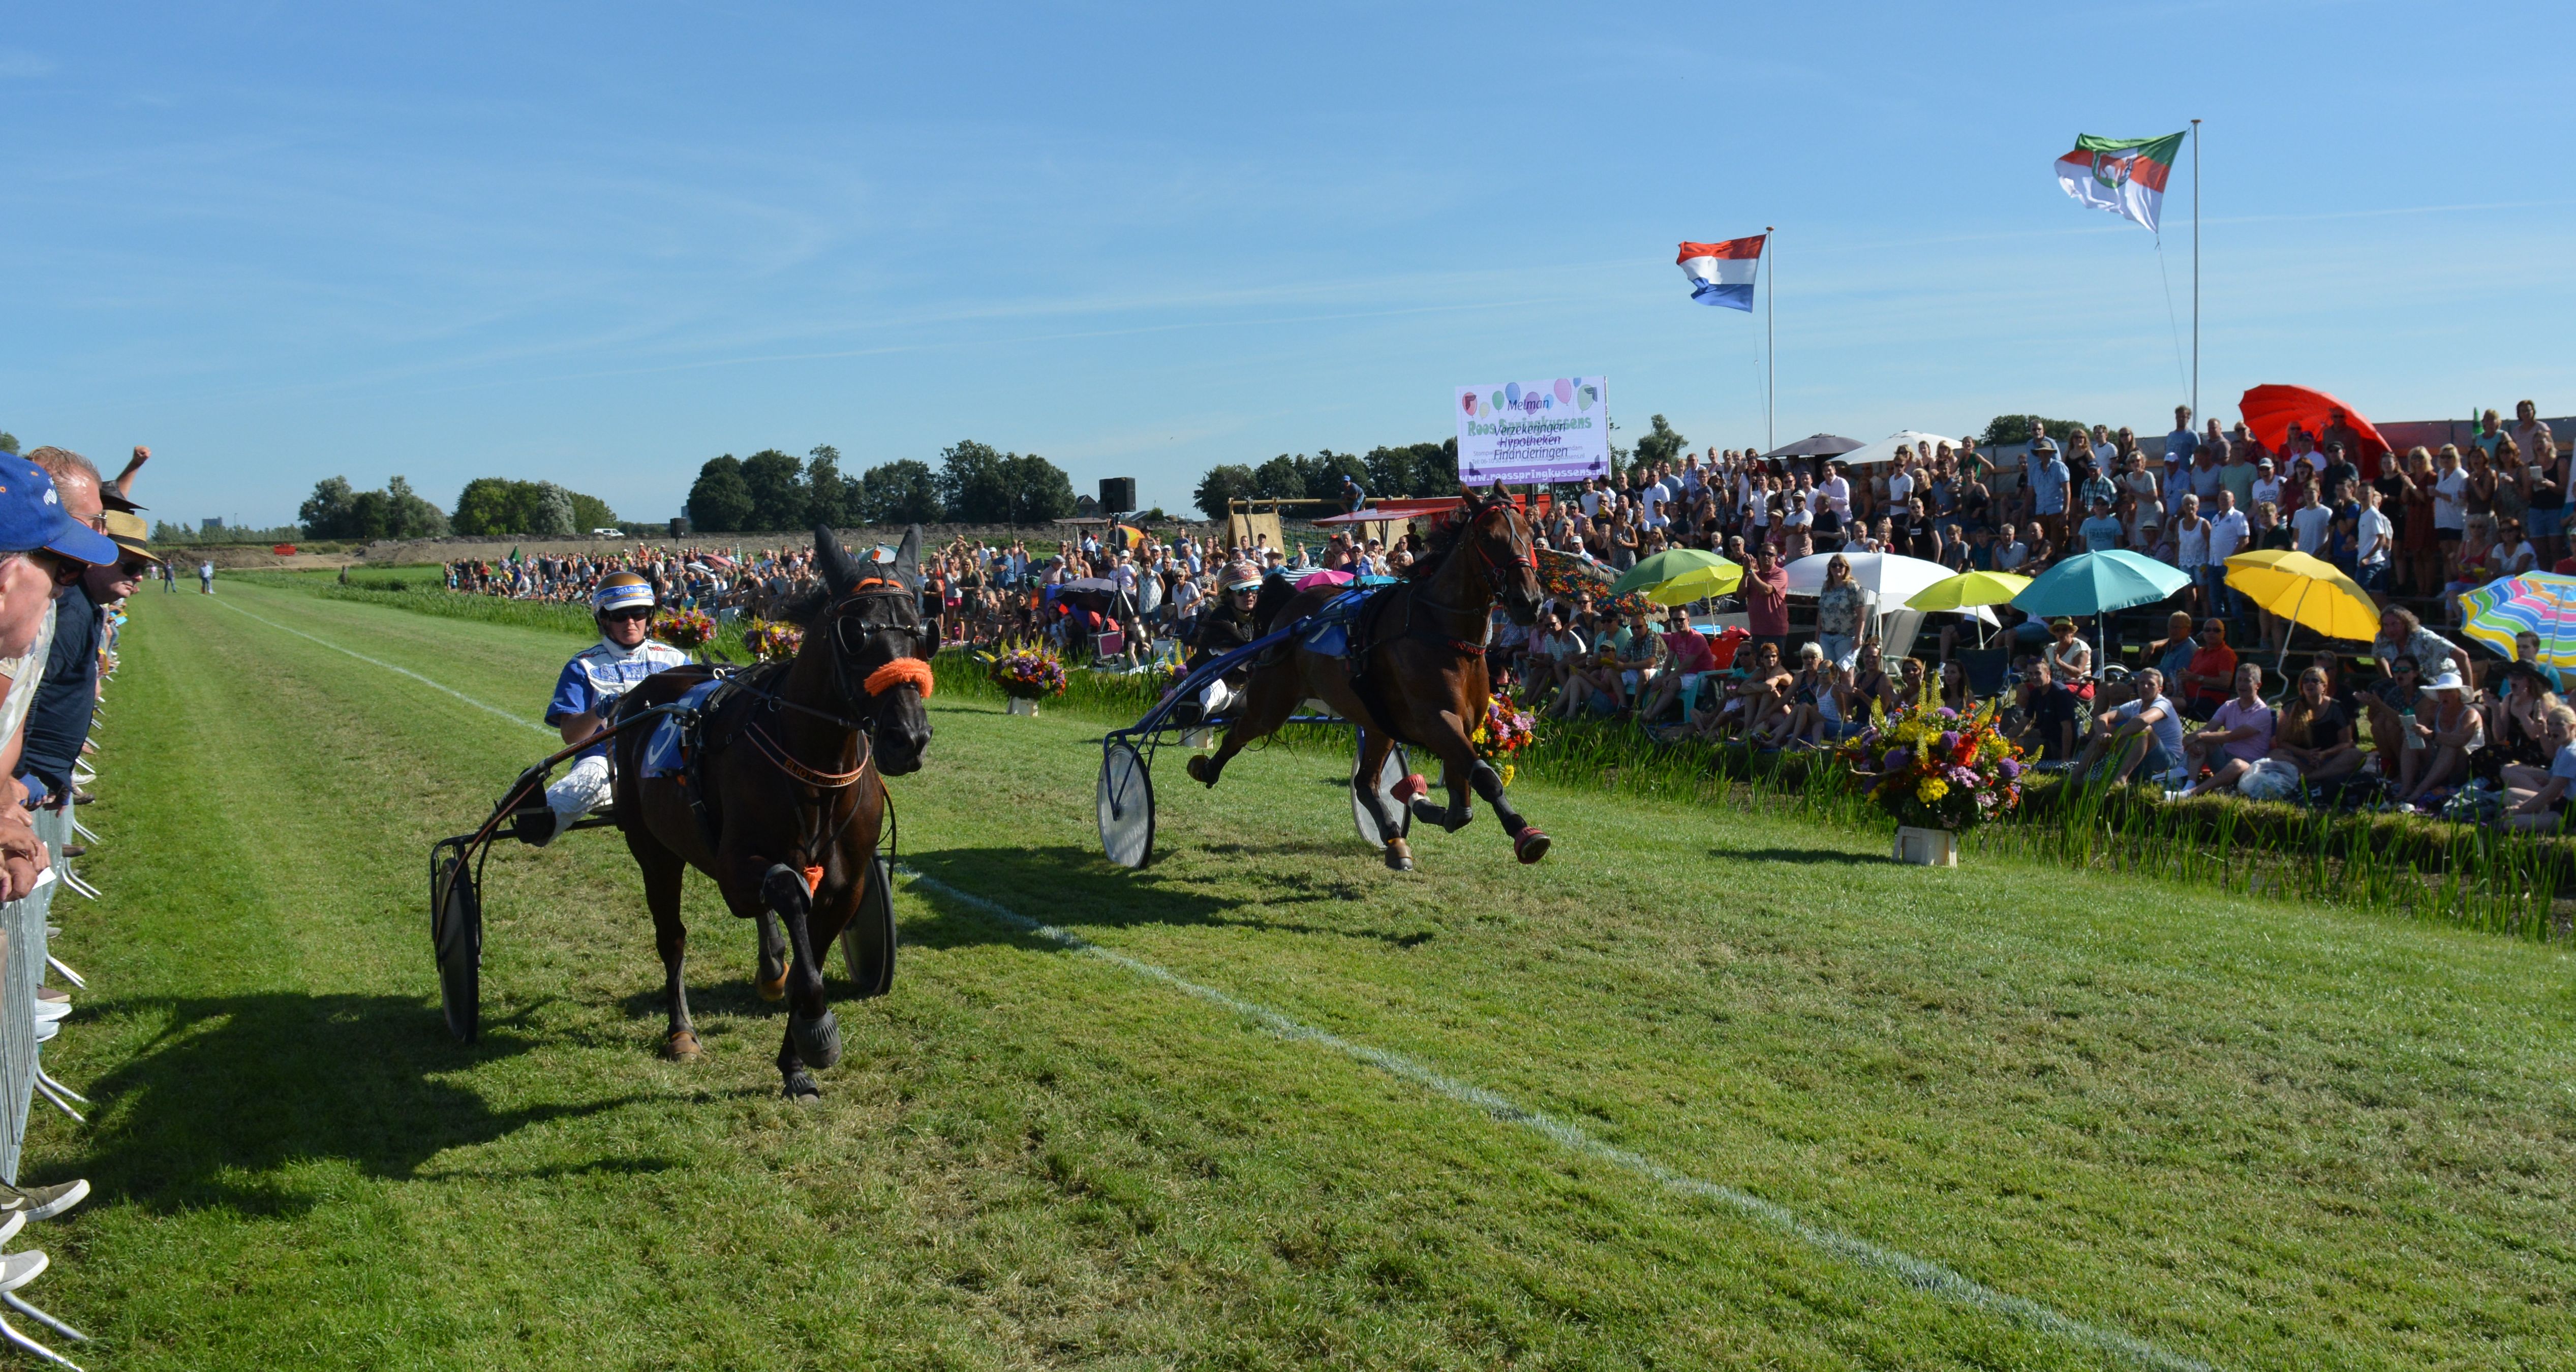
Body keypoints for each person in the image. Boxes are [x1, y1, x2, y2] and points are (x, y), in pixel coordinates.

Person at [520, 572, 690, 846]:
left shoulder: (675, 659)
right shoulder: (583, 665)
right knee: (590, 778)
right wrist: (599, 712)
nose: (631, 622)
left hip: (667, 761)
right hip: (606, 762)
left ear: (651, 615)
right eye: (620, 615)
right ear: (603, 619)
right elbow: (571, 736)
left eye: (638, 613)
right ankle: (541, 819)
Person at [2174, 664, 2277, 798]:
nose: (2242, 684)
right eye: (2239, 680)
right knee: (2201, 742)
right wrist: (2195, 738)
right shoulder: (2229, 705)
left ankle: (2192, 793)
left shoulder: (2263, 712)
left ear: (2258, 685)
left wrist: (2197, 737)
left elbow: (2232, 736)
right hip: (2224, 759)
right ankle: (2190, 783)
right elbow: (2209, 728)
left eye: (2247, 680)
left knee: (2236, 764)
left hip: (2249, 768)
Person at [2070, 667, 2184, 787]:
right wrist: (2102, 733)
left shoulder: (2164, 704)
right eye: (2142, 683)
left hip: (2167, 764)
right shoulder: (2136, 704)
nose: (2145, 687)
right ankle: (2075, 776)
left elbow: (2142, 720)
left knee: (2144, 730)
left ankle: (2120, 779)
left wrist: (2118, 736)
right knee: (2108, 729)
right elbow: (2102, 718)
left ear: (2160, 689)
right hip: (2140, 759)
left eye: (2151, 684)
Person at [2394, 669, 2482, 811]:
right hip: (2438, 761)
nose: (2444, 696)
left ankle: (2420, 790)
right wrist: (2411, 730)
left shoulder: (2470, 714)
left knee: (2450, 745)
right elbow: (2416, 731)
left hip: (2466, 765)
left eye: (2448, 692)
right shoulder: (2434, 710)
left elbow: (2461, 740)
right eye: (2441, 692)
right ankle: (2407, 787)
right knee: (2411, 741)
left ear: (2459, 694)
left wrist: (2431, 734)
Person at [2271, 665, 2362, 783]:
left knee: (2356, 755)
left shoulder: (2336, 708)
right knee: (2275, 755)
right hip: (2299, 759)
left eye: (2315, 681)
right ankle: (2321, 777)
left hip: (2329, 759)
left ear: (2324, 687)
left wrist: (2324, 754)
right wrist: (2306, 754)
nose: (2310, 684)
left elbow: (2346, 743)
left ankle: (2309, 778)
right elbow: (2281, 742)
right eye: (2306, 681)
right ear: (2301, 686)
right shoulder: (2290, 707)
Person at [1741, 544, 1789, 653]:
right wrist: (1745, 575)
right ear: (1759, 556)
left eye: (1770, 554)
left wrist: (1750, 572)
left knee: (1775, 665)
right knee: (1761, 664)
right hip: (1757, 630)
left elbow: (1766, 590)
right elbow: (1740, 595)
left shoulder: (1781, 573)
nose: (1766, 556)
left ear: (1776, 558)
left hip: (1775, 631)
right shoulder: (1754, 575)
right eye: (1763, 553)